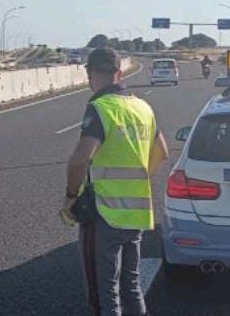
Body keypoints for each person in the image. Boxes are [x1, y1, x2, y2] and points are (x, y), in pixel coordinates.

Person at [61, 48, 168, 316]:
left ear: (89, 74)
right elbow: (162, 152)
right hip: (137, 212)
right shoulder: (142, 107)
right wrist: (136, 179)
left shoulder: (100, 108)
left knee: (104, 291)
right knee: (131, 285)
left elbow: (79, 160)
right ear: (120, 72)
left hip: (104, 212)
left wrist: (71, 195)